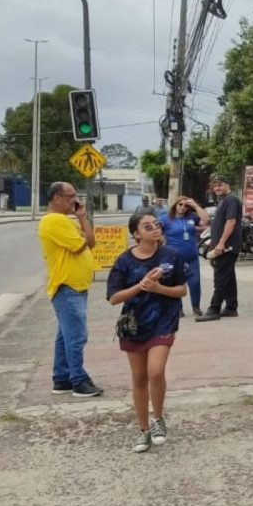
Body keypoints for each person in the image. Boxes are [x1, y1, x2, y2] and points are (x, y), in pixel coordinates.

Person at [106, 209, 187, 452]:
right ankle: (143, 430)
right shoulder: (124, 261)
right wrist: (141, 286)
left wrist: (159, 288)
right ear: (136, 234)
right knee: (139, 377)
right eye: (148, 227)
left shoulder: (171, 255)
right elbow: (113, 298)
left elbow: (182, 290)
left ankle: (158, 418)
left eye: (156, 224)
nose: (155, 229)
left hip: (164, 320)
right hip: (135, 324)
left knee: (156, 370)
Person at [38, 181, 102, 397]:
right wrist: (82, 232)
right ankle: (79, 380)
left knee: (65, 336)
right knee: (76, 336)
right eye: (71, 196)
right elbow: (79, 245)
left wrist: (82, 218)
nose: (75, 200)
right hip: (67, 287)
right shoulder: (54, 220)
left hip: (75, 286)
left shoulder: (67, 221)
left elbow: (91, 242)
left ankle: (62, 378)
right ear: (57, 198)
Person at [195, 175, 243, 322]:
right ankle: (231, 307)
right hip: (222, 245)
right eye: (215, 185)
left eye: (220, 185)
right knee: (228, 276)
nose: (217, 188)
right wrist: (213, 244)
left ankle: (214, 309)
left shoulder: (231, 200)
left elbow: (231, 222)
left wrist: (221, 243)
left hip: (228, 246)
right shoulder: (223, 200)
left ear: (227, 185)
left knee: (220, 277)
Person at [161, 195, 210, 316]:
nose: (183, 207)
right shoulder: (166, 219)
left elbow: (206, 220)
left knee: (195, 282)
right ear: (175, 205)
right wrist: (162, 242)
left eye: (186, 206)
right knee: (177, 283)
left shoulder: (191, 217)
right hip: (174, 257)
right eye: (180, 204)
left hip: (191, 255)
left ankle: (196, 307)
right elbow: (155, 231)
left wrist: (195, 205)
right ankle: (178, 308)